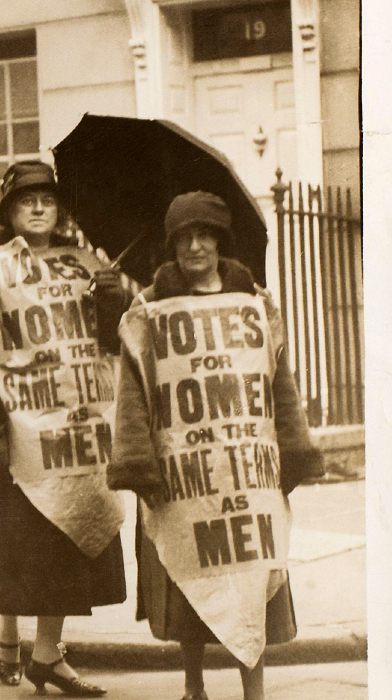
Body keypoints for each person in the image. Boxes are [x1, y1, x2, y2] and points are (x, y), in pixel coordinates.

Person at [108, 192, 324, 700]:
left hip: (248, 471)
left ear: (220, 242)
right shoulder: (152, 308)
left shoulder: (254, 304)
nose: (195, 246)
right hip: (183, 473)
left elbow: (280, 381)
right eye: (184, 237)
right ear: (173, 245)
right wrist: (138, 462)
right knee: (187, 580)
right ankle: (193, 685)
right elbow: (133, 389)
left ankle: (256, 690)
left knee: (254, 578)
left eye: (205, 235)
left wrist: (292, 449)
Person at [0, 161, 127, 696]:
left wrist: (112, 298)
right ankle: (10, 633)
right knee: (18, 549)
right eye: (26, 201)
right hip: (15, 429)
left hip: (76, 431)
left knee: (65, 544)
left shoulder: (86, 264)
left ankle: (46, 655)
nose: (39, 208)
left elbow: (114, 343)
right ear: (10, 212)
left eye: (47, 199)